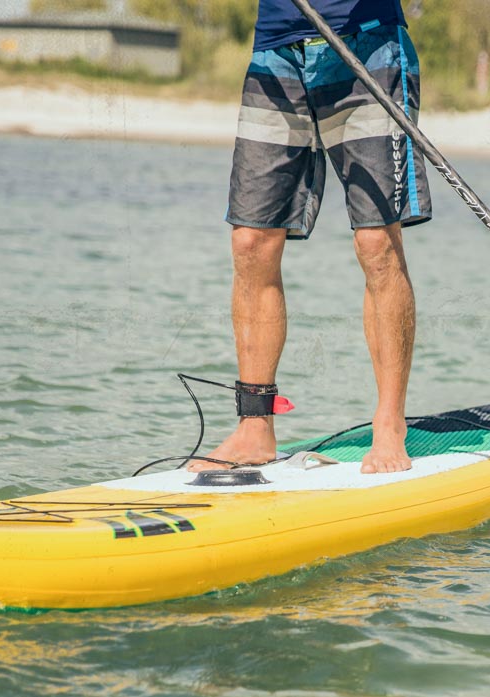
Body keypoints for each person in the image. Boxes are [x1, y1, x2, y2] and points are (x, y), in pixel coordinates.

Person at [193, 0, 432, 474]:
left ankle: (389, 425)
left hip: (367, 42)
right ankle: (255, 427)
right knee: (251, 243)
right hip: (276, 51)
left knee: (376, 245)